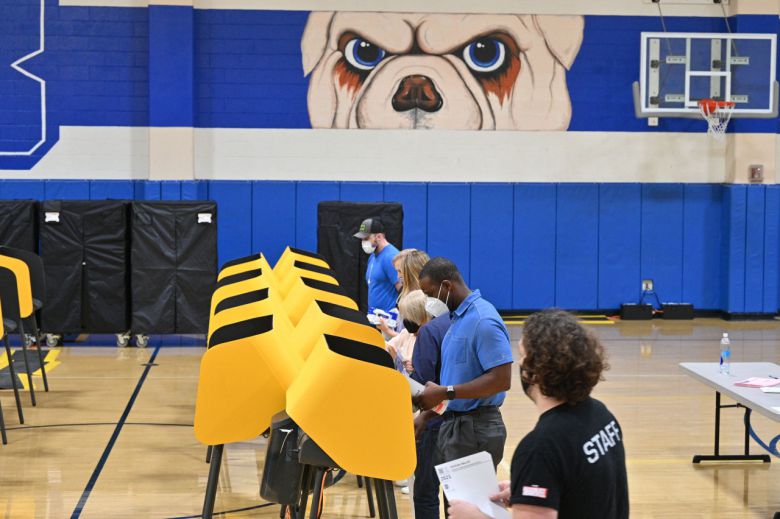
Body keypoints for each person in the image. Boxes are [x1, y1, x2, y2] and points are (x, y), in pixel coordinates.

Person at [447, 310, 629, 519]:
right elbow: (583, 485)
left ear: (534, 371)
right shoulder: (601, 415)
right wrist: (528, 490)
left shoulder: (539, 448)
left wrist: (475, 517)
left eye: (522, 356)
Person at [416, 257, 513, 473]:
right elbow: (460, 380)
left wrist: (445, 392)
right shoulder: (457, 318)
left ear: (447, 286)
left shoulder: (483, 321)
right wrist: (428, 414)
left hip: (477, 430)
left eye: (430, 294)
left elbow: (501, 379)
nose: (429, 301)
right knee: (455, 507)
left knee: (472, 507)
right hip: (457, 425)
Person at [409, 308, 451, 519]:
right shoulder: (463, 324)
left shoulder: (429, 332)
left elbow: (422, 381)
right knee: (456, 496)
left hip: (432, 421)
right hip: (461, 421)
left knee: (426, 493)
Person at [379, 249, 431, 338]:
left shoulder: (425, 300)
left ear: (410, 272)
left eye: (400, 271)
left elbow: (418, 339)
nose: (398, 276)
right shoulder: (403, 292)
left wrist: (388, 331)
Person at [354, 217, 401, 314]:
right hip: (375, 318)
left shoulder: (391, 257)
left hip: (388, 320)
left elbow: (403, 290)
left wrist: (394, 317)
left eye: (366, 238)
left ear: (379, 237)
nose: (363, 242)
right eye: (362, 239)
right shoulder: (372, 256)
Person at [386, 289, 429, 374]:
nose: (405, 320)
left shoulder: (428, 339)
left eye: (407, 316)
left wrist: (414, 367)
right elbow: (388, 345)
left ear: (418, 316)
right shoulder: (406, 333)